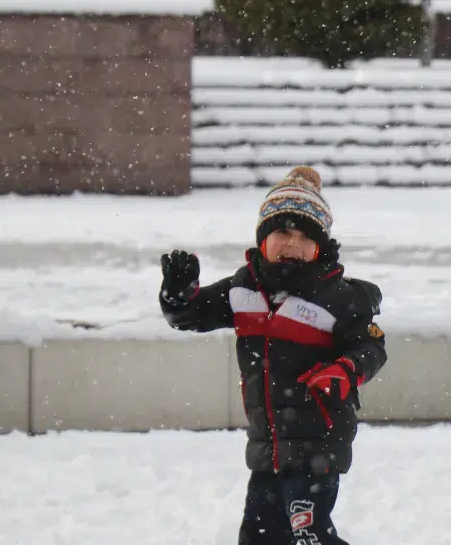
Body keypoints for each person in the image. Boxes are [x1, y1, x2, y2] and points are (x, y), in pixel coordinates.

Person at [157, 166, 386, 545]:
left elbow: (372, 346)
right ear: (263, 239)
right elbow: (191, 316)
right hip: (267, 446)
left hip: (318, 441)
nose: (292, 244)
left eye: (305, 237)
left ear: (320, 247)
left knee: (309, 535)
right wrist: (178, 296)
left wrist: (345, 370)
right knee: (259, 537)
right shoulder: (243, 289)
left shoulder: (337, 297)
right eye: (282, 233)